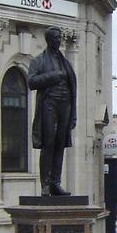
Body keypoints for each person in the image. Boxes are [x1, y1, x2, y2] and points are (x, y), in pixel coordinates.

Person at [28, 27, 77, 196]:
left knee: (60, 144)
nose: (59, 41)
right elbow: (31, 82)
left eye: (60, 38)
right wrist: (53, 76)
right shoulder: (39, 60)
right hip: (49, 103)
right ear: (49, 40)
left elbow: (73, 90)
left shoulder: (66, 62)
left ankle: (56, 182)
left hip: (65, 105)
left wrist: (74, 115)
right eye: (56, 38)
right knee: (48, 143)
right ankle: (45, 184)